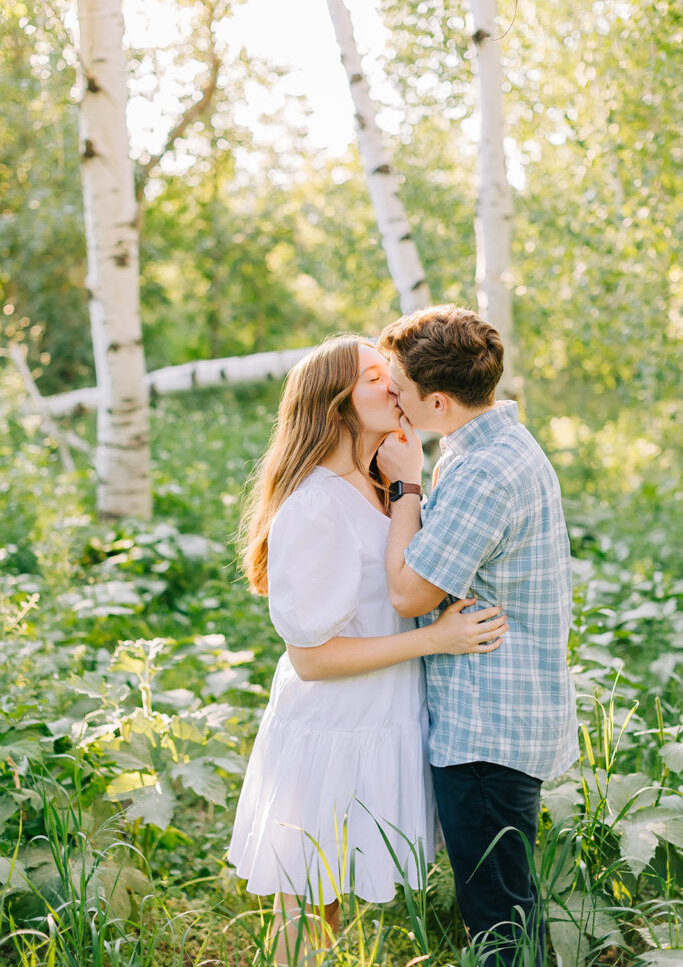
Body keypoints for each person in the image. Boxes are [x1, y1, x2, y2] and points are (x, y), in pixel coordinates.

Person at [228, 335, 509, 964]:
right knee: (307, 908)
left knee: (329, 908)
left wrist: (408, 482)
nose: (394, 383)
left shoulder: (376, 485)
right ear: (335, 404)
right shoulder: (315, 506)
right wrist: (436, 640)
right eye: (375, 376)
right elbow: (311, 659)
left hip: (375, 719)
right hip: (330, 728)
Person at [376, 305, 579, 967]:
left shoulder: (482, 471)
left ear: (436, 400)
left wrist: (404, 485)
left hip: (487, 731)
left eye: (401, 394)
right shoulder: (492, 448)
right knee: (508, 909)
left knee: (497, 925)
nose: (396, 406)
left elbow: (409, 592)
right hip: (500, 722)